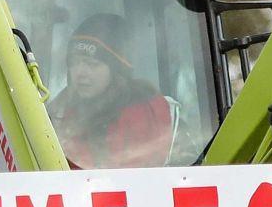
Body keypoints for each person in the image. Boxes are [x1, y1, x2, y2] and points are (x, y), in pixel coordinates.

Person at [49, 13, 177, 169]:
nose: (80, 72)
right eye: (74, 63)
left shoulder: (145, 113)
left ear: (117, 69)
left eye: (92, 64)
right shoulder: (58, 113)